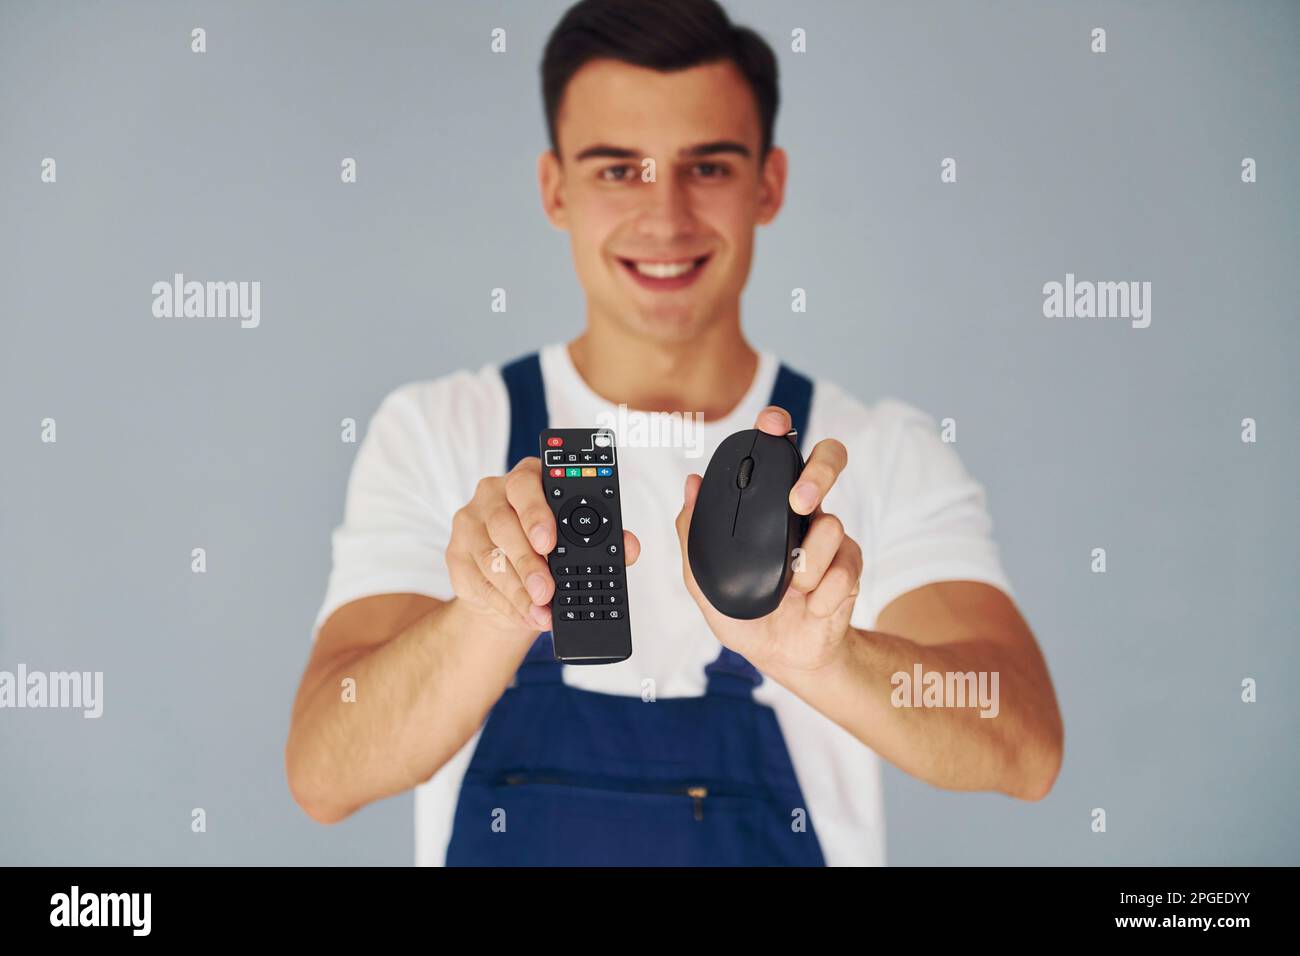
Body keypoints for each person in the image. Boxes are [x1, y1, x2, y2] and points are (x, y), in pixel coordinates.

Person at [285, 0, 1063, 866]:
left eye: (709, 167)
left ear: (769, 183)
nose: (667, 217)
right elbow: (325, 770)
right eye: (619, 170)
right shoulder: (437, 430)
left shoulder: (874, 452)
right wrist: (485, 620)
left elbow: (1024, 742)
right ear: (556, 189)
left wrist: (823, 662)